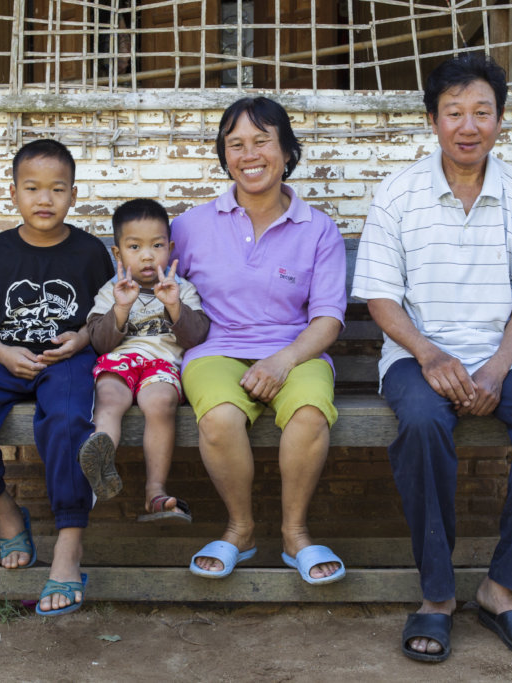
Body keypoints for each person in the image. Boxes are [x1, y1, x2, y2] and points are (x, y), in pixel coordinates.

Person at [351, 53, 512, 662]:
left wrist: (497, 368)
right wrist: (429, 355)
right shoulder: (398, 194)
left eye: (482, 111)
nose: (468, 125)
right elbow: (380, 296)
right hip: (415, 353)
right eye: (454, 112)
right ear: (433, 120)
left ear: (499, 122)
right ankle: (436, 596)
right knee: (424, 422)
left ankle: (503, 587)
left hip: (509, 354)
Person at [0, 139, 115, 616]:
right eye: (32, 187)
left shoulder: (90, 252)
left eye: (57, 189)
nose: (44, 199)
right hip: (4, 357)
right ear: (13, 192)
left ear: (73, 195)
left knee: (69, 420)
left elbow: (108, 316)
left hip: (67, 360)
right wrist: (2, 352)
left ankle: (69, 549)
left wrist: (79, 340)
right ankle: (8, 515)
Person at [170, 96, 348, 584]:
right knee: (221, 419)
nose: (249, 155)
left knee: (310, 414)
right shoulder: (189, 227)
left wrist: (283, 361)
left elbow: (329, 318)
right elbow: (153, 288)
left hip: (298, 350)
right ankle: (240, 530)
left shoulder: (318, 229)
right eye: (236, 144)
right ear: (224, 156)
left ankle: (295, 535)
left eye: (262, 141)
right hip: (215, 350)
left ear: (287, 150)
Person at [78, 199, 210, 523]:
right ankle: (99, 458)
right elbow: (98, 342)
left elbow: (196, 337)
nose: (148, 255)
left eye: (157, 245)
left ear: (171, 248)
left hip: (162, 364)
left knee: (161, 403)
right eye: (135, 246)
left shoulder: (183, 290)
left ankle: (155, 491)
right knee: (108, 398)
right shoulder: (111, 290)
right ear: (118, 253)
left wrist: (175, 306)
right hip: (119, 361)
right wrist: (120, 308)